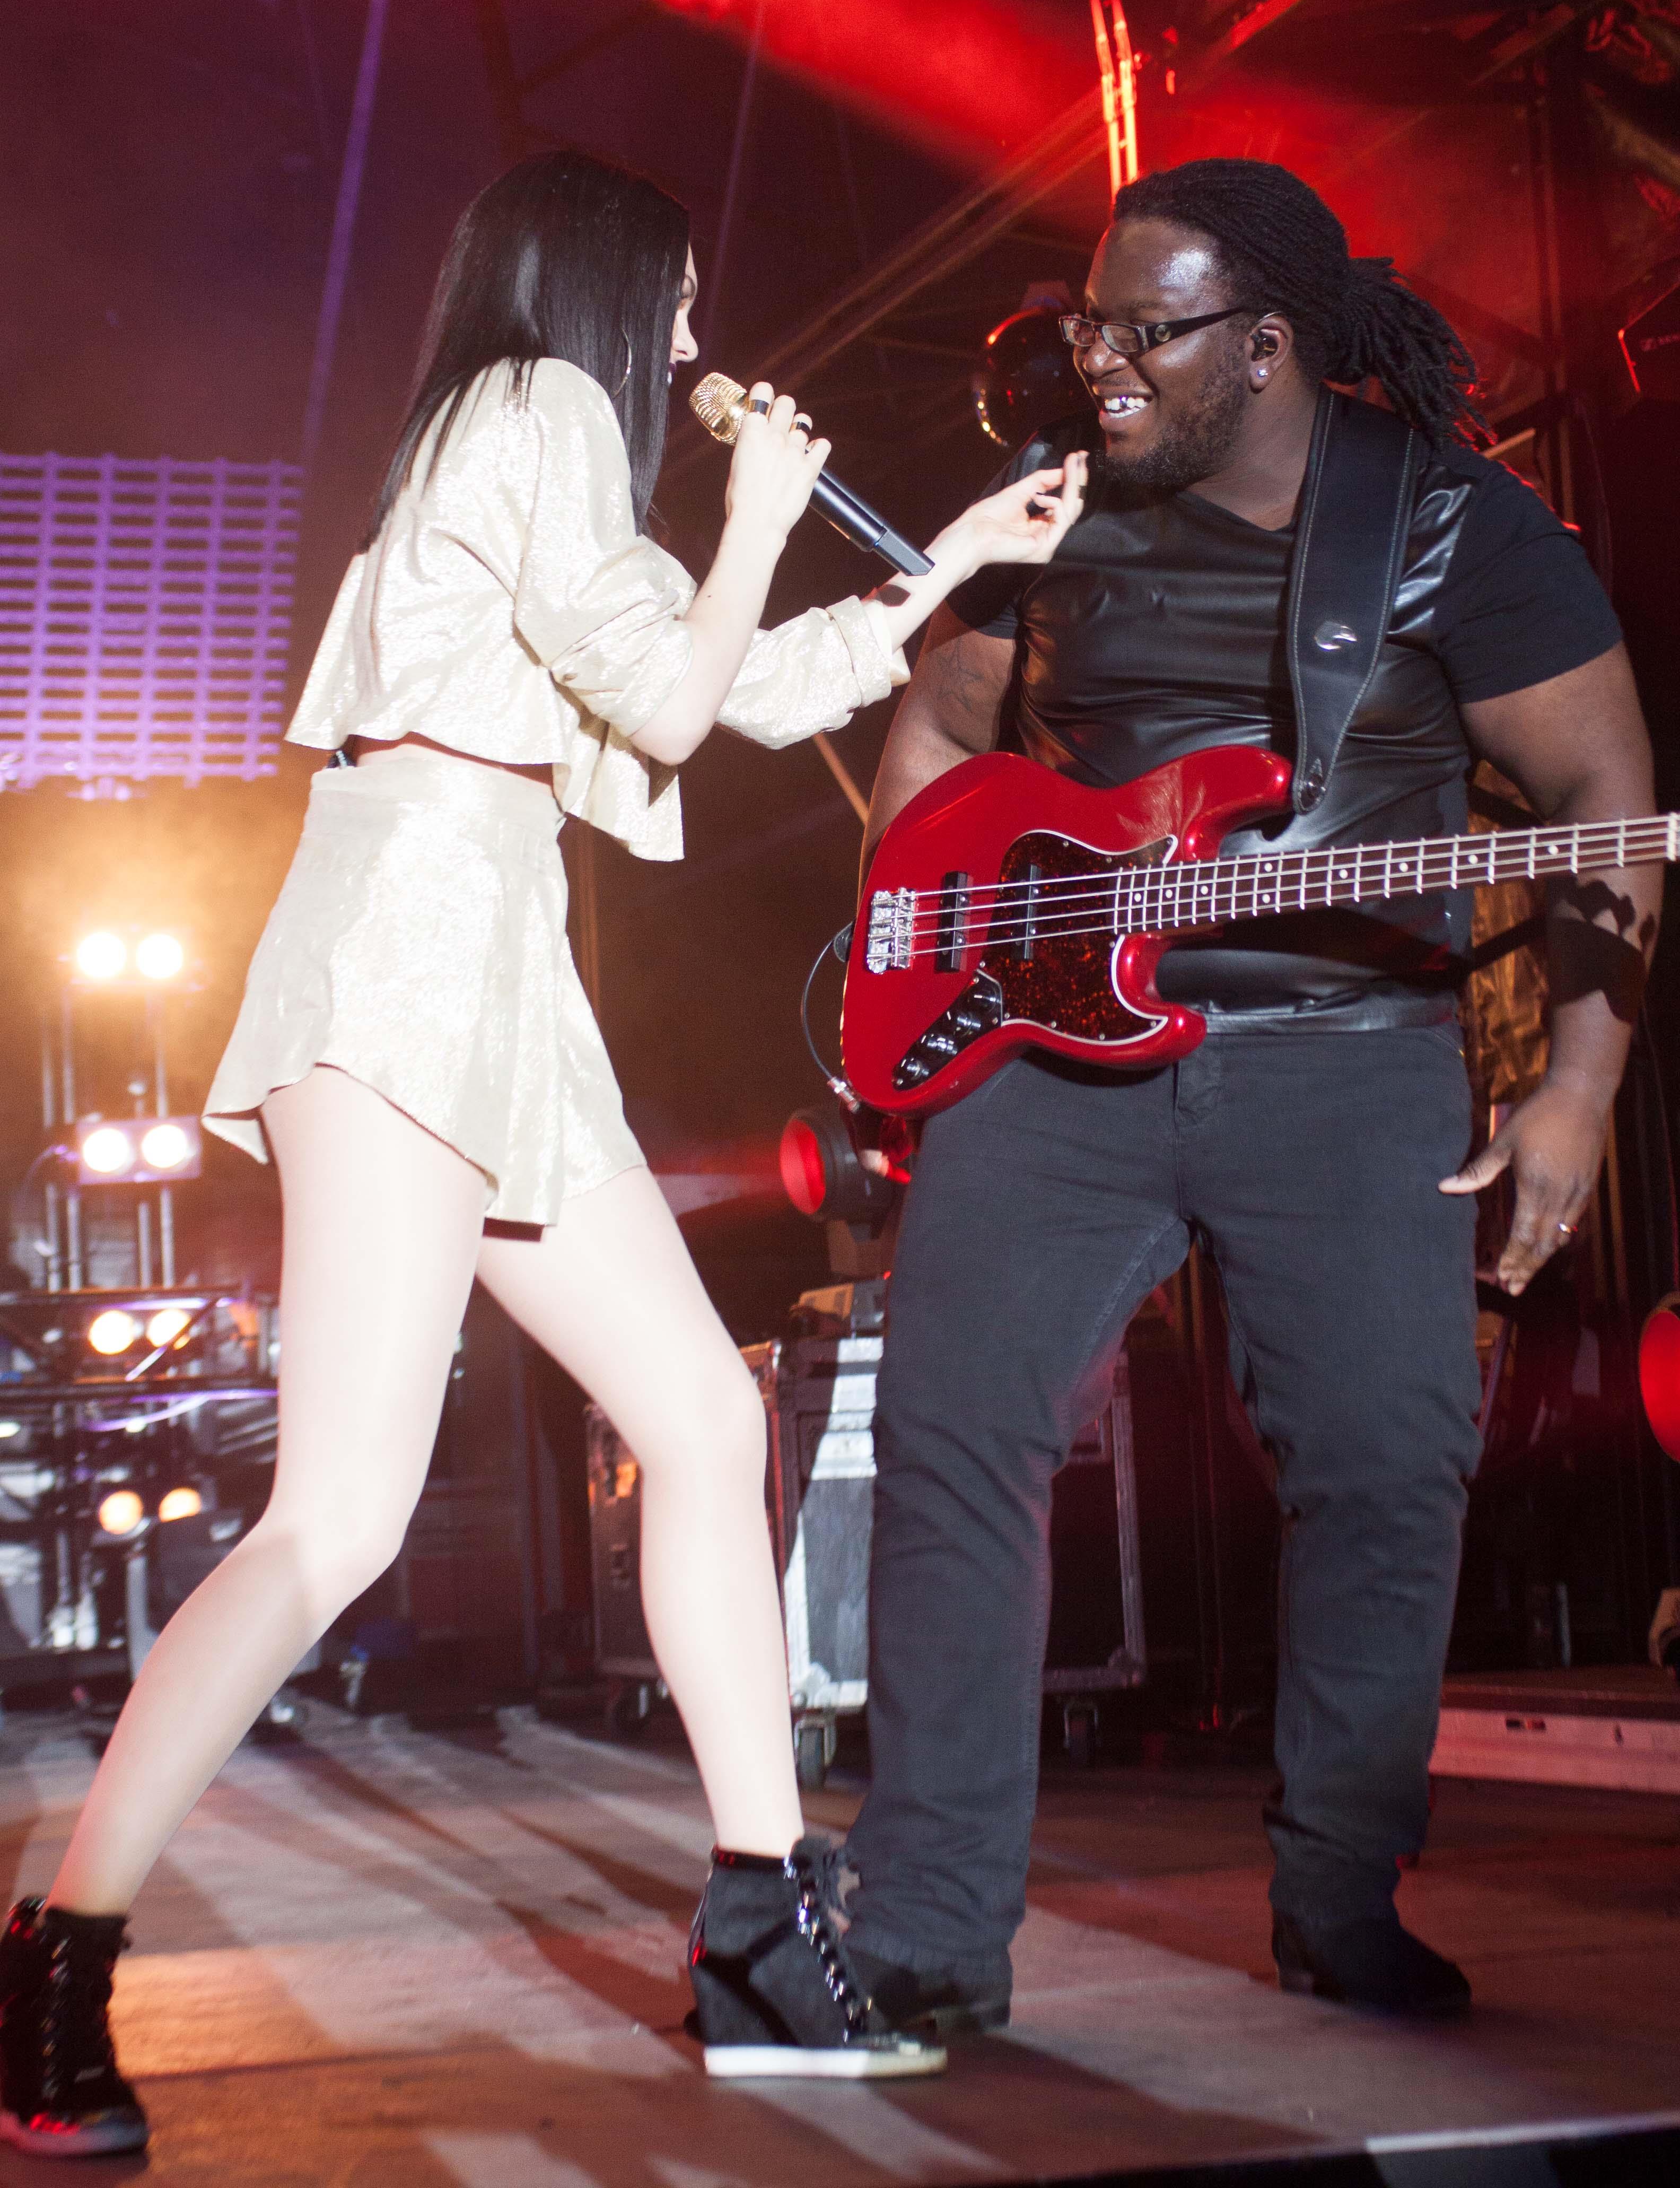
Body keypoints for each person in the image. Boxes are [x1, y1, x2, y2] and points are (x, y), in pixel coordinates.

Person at [0, 148, 1086, 2156]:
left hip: (495, 962)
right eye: (674, 294)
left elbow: (743, 686)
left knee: (695, 1418)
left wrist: (949, 562)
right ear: (597, 280)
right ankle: (54, 1958)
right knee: (337, 1520)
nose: (692, 337)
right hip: (413, 942)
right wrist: (757, 509)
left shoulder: (554, 452)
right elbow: (671, 710)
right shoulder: (535, 409)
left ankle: (761, 1929)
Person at [838, 156, 1661, 2030]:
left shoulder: (1449, 525)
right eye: (1090, 321)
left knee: (1388, 1471)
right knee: (954, 1453)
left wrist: (1582, 1093)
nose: (1099, 361)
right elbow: (940, 735)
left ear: (1270, 342)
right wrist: (927, 957)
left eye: (1146, 330)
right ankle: (929, 1937)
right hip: (1044, 1056)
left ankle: (1342, 1899)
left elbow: (1607, 800)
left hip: (1348, 1061)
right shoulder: (1050, 512)